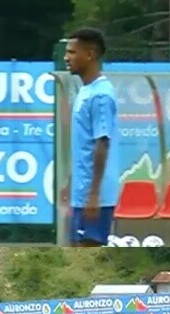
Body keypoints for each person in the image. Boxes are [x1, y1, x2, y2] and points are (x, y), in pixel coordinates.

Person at [62, 27, 120, 247]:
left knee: (89, 247)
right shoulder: (86, 90)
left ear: (90, 54)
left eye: (72, 52)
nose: (66, 58)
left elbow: (101, 143)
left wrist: (94, 193)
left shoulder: (101, 95)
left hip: (94, 195)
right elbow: (84, 143)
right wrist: (71, 180)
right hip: (81, 192)